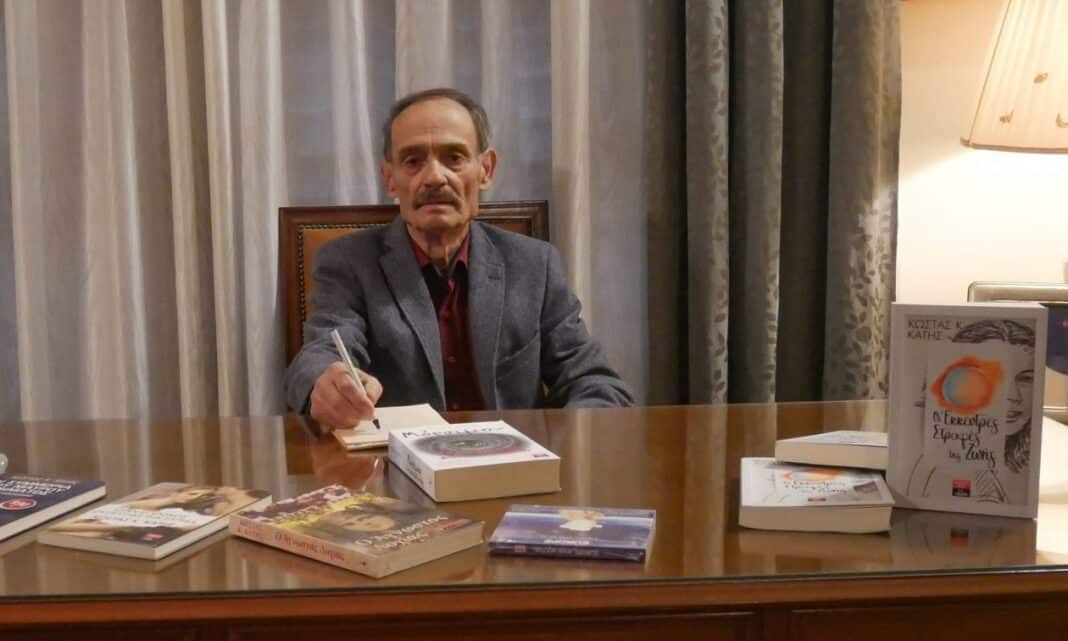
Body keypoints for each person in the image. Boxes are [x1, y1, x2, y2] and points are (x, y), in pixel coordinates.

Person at [284, 87, 633, 429]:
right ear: (390, 179)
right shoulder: (348, 262)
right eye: (413, 161)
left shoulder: (534, 265)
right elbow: (320, 352)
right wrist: (325, 383)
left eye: (454, 158)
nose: (435, 177)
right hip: (396, 462)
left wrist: (568, 446)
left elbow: (595, 382)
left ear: (486, 169)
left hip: (513, 462)